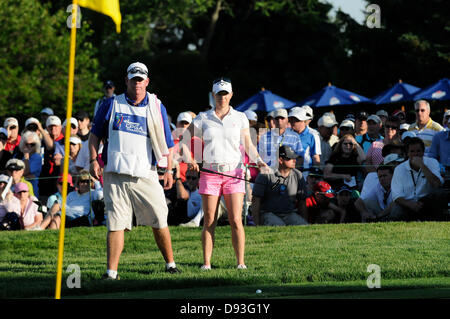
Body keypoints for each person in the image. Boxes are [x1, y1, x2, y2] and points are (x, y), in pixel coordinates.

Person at [89, 62, 181, 279]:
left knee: (159, 218)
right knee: (115, 222)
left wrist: (168, 170)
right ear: (126, 80)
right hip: (115, 172)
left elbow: (168, 144)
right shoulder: (111, 104)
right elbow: (94, 135)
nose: (137, 83)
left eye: (141, 79)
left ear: (147, 82)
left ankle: (170, 264)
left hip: (146, 172)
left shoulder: (157, 106)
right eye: (133, 79)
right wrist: (94, 159)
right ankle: (111, 272)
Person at [184, 76, 268, 270]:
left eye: (225, 93)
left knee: (236, 220)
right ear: (213, 95)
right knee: (210, 220)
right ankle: (206, 263)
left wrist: (258, 161)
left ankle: (241, 263)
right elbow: (185, 141)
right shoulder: (203, 118)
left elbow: (248, 143)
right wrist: (190, 160)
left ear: (231, 94)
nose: (222, 97)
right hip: (210, 174)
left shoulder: (240, 117)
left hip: (234, 173)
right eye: (218, 94)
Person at [250, 145, 308, 226]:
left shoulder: (298, 175)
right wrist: (256, 223)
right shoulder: (265, 174)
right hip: (268, 213)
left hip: (289, 214)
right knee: (279, 226)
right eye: (290, 158)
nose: (294, 160)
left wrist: (304, 220)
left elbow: (302, 201)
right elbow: (256, 200)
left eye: (295, 157)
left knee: (303, 226)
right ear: (280, 160)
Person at [390, 137, 445, 221]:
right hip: (408, 203)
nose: (415, 154)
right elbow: (396, 196)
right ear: (407, 153)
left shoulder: (432, 162)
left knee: (439, 194)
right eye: (412, 151)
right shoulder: (399, 169)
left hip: (426, 202)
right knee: (396, 211)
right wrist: (410, 204)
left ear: (423, 152)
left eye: (418, 151)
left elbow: (437, 184)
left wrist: (422, 166)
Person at [38, 115, 64, 197]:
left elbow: (51, 146)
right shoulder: (43, 140)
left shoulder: (64, 140)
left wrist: (41, 130)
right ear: (47, 128)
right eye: (50, 127)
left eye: (55, 126)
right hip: (45, 177)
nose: (53, 129)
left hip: (59, 176)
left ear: (60, 127)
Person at [288, 107, 320, 174]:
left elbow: (316, 157)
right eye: (290, 119)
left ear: (303, 120)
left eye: (295, 120)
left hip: (305, 174)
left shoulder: (313, 135)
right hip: (287, 173)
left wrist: (315, 175)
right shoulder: (286, 134)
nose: (292, 122)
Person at [17, 131, 42, 198]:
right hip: (18, 189)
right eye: (26, 144)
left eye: (32, 144)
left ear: (36, 145)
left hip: (31, 190)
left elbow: (25, 172)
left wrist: (26, 157)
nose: (29, 146)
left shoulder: (37, 157)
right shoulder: (18, 155)